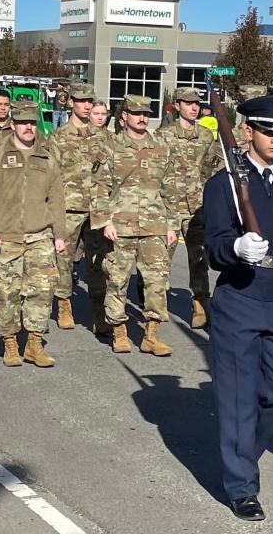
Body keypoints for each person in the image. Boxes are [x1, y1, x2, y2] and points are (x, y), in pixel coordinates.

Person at [203, 94, 273, 522]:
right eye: (268, 130)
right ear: (247, 131)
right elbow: (213, 246)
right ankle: (241, 485)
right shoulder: (224, 184)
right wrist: (235, 246)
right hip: (241, 298)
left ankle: (242, 455)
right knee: (237, 399)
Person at [0, 101, 67, 367]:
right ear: (13, 125)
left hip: (40, 236)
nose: (28, 128)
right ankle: (10, 344)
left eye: (32, 123)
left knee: (42, 292)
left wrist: (59, 234)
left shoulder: (46, 158)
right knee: (8, 294)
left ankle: (34, 344)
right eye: (23, 123)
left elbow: (56, 198)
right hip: (6, 237)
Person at [91, 95, 180, 356]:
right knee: (117, 280)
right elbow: (98, 188)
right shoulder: (110, 147)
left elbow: (169, 189)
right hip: (120, 226)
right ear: (124, 117)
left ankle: (151, 334)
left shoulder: (161, 148)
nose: (142, 117)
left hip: (154, 226)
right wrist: (104, 221)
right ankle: (119, 331)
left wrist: (172, 225)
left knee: (156, 281)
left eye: (146, 113)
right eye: (136, 113)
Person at [157, 86, 223, 328]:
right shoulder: (163, 135)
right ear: (178, 105)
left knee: (198, 258)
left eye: (197, 103)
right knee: (163, 258)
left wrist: (203, 189)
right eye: (188, 103)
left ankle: (200, 304)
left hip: (197, 206)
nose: (194, 107)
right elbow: (156, 169)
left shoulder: (206, 135)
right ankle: (157, 301)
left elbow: (210, 166)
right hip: (170, 206)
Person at [47, 82, 109, 332]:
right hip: (69, 209)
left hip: (97, 210)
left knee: (99, 262)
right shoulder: (59, 138)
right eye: (81, 101)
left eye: (89, 101)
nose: (86, 105)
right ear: (70, 102)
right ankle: (64, 304)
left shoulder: (104, 137)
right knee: (64, 260)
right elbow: (50, 177)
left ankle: (99, 311)